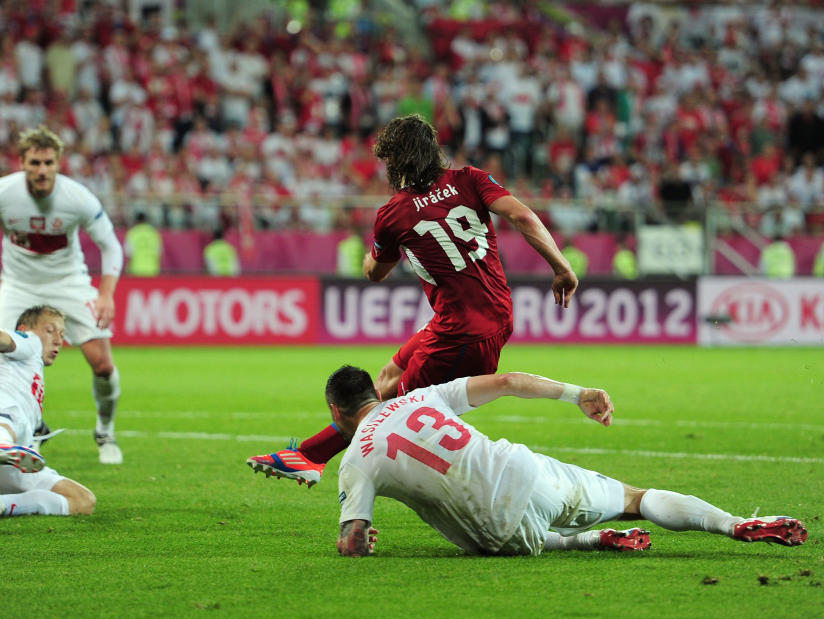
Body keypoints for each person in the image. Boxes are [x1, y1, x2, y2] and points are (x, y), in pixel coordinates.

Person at [248, 114, 577, 486]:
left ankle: (310, 456)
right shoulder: (471, 179)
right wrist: (561, 267)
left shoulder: (393, 214)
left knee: (387, 408)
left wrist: (367, 258)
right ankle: (310, 456)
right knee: (387, 376)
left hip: (462, 335)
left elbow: (375, 273)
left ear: (395, 161)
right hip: (480, 317)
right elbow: (521, 215)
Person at [323, 365, 807, 557]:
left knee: (500, 537)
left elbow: (352, 542)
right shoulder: (423, 397)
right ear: (377, 392)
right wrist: (579, 393)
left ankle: (590, 541)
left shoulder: (355, 461)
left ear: (335, 412)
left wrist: (361, 538)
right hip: (528, 473)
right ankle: (735, 524)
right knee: (636, 499)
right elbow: (510, 380)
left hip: (500, 532)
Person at [0, 126, 124, 465]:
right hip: (18, 284)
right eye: (35, 162)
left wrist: (106, 294)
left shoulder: (78, 198)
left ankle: (105, 431)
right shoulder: (0, 193)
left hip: (68, 281)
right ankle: (30, 429)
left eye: (49, 163)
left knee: (102, 364)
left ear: (58, 163)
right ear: (22, 162)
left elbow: (111, 246)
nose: (42, 170)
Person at [0, 304, 96, 519]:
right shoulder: (29, 341)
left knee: (82, 501)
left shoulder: (12, 378)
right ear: (24, 328)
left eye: (62, 334)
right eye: (50, 330)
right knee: (83, 501)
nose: (58, 339)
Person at [124, 211, 162, 277]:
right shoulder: (153, 233)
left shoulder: (132, 232)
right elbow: (158, 252)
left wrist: (127, 268)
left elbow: (129, 253)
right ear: (146, 220)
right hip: (152, 269)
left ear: (136, 221)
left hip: (136, 269)